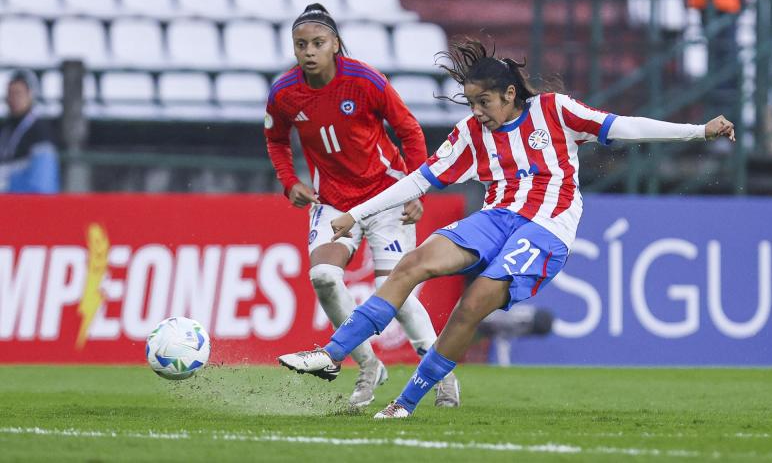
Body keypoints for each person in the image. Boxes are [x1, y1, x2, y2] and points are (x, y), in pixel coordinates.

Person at [278, 39, 736, 419]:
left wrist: (697, 132)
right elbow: (419, 179)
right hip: (495, 217)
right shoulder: (470, 135)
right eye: (471, 102)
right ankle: (334, 353)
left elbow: (622, 126)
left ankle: (406, 402)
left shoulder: (554, 112)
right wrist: (356, 214)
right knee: (413, 263)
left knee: (473, 302)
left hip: (546, 226)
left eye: (484, 101)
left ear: (510, 95)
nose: (476, 111)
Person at [264, 3, 459, 408]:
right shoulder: (284, 93)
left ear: (335, 44)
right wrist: (289, 182)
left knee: (397, 295)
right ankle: (368, 366)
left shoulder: (365, 80)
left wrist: (416, 191)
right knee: (323, 276)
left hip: (385, 197)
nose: (309, 51)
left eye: (318, 43)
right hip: (332, 201)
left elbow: (409, 131)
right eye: (301, 45)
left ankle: (441, 373)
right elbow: (276, 140)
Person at [0, 69, 60, 193]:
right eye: (10, 94)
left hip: (25, 203)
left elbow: (43, 184)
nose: (13, 99)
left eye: (18, 94)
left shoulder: (40, 132)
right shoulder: (6, 128)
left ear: (30, 95)